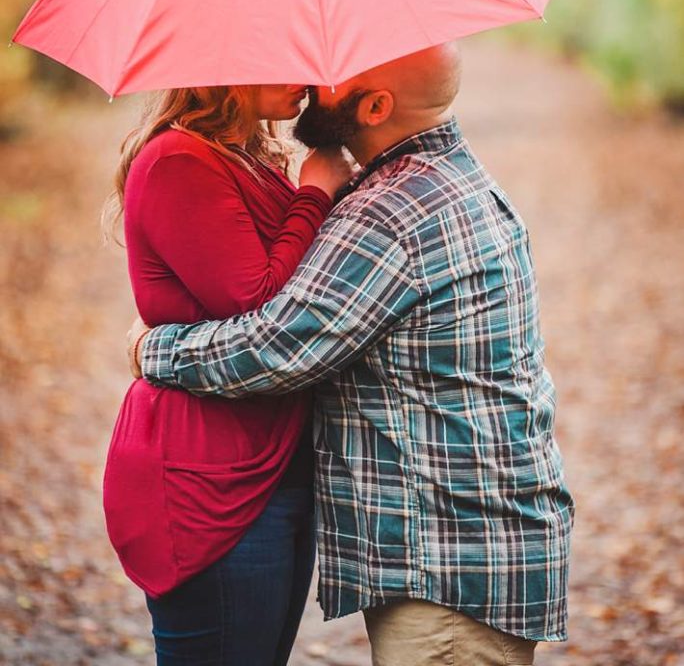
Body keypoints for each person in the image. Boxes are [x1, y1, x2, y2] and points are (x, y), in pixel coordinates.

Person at [129, 42, 574, 666]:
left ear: (374, 105)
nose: (314, 72)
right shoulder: (449, 177)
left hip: (450, 564)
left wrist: (156, 348)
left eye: (337, 70)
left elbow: (276, 348)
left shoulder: (394, 209)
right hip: (474, 546)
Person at [102, 83, 352, 666]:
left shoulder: (250, 158)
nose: (308, 75)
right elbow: (258, 303)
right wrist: (315, 193)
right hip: (210, 475)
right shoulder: (178, 161)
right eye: (288, 53)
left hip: (273, 459)